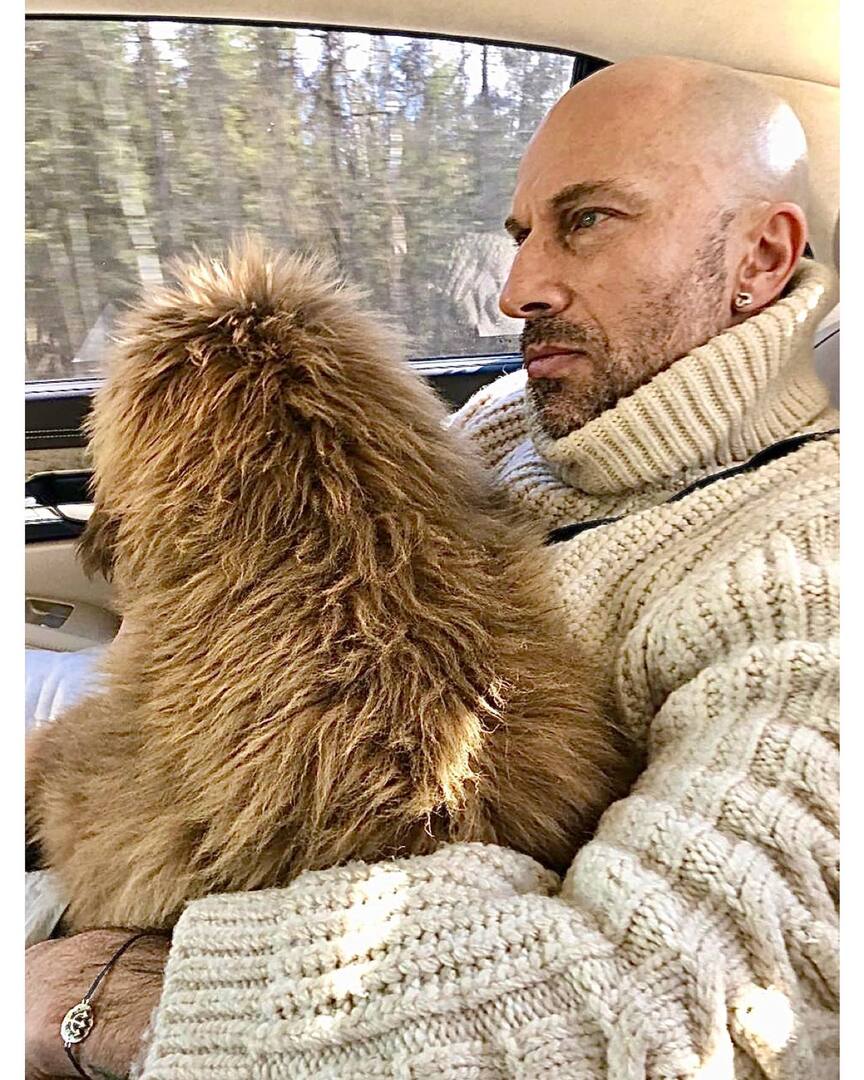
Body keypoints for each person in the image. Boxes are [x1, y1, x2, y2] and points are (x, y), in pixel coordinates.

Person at [26, 55, 838, 1079]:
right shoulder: (517, 415)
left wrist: (95, 995)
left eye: (587, 220)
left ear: (761, 256)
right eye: (521, 234)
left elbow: (674, 1005)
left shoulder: (810, 563)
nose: (517, 290)